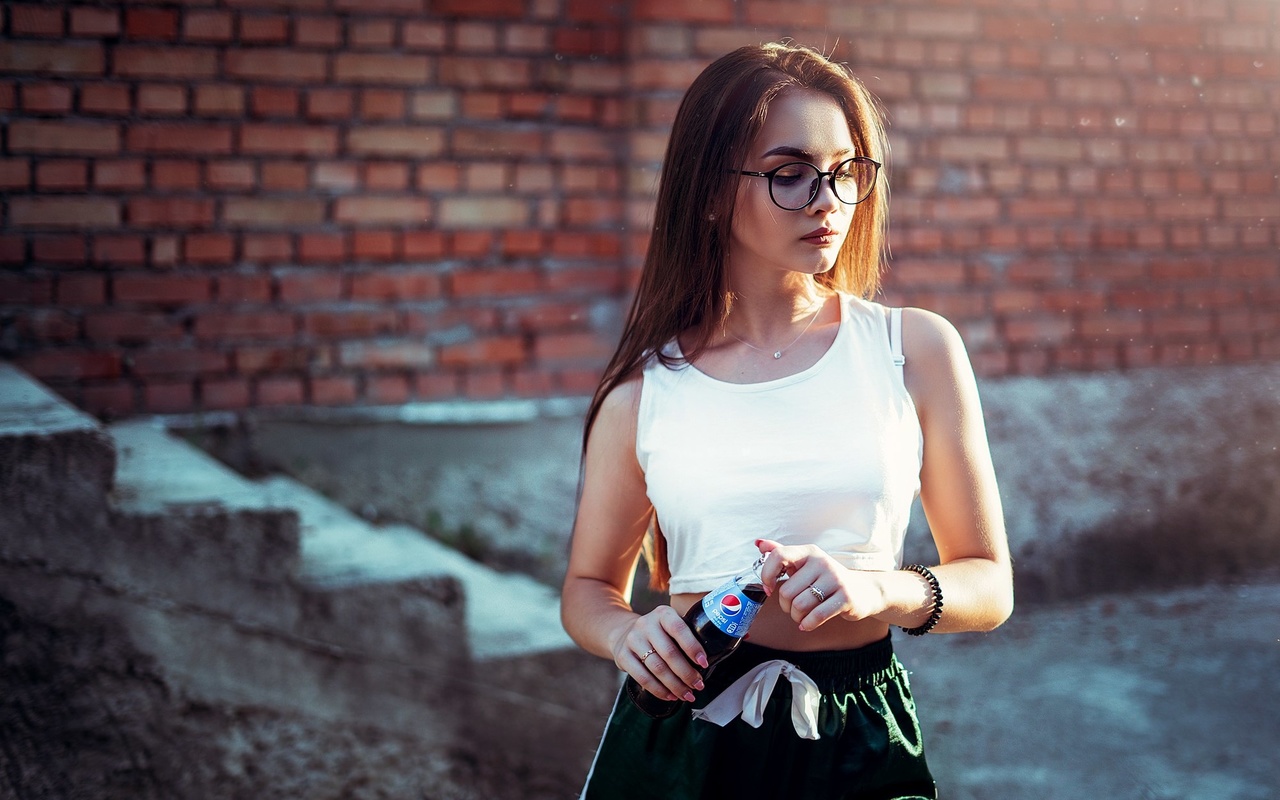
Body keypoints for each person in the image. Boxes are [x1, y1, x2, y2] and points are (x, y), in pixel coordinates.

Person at [561, 41, 1012, 800]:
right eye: (790, 174)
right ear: (708, 192)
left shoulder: (915, 349)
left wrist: (880, 592)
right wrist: (627, 634)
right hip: (683, 743)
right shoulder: (645, 393)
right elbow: (586, 587)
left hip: (860, 735)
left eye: (846, 172)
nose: (828, 200)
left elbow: (989, 585)